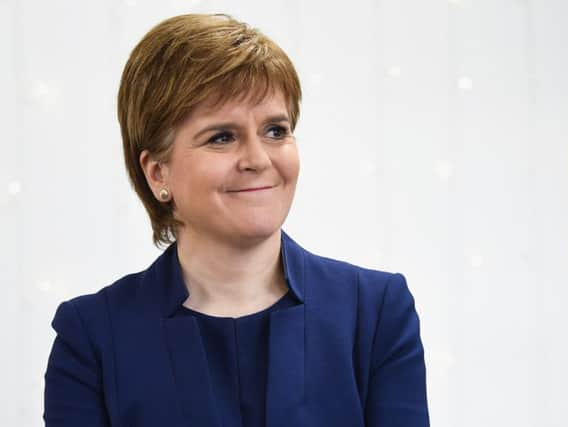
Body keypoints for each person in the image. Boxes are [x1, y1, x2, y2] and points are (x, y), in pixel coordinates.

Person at [43, 13, 430, 427]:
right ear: (158, 173)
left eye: (276, 131)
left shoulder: (375, 312)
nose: (258, 160)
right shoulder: (92, 337)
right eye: (222, 137)